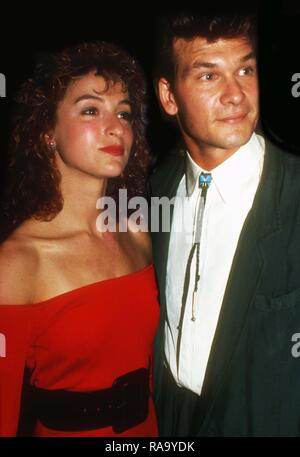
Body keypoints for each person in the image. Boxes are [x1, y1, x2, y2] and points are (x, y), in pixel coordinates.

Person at [151, 11, 300, 437]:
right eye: (208, 76)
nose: (236, 94)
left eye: (245, 69)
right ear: (168, 96)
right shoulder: (155, 190)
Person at [0, 41, 159, 437]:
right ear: (46, 133)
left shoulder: (138, 231)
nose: (116, 127)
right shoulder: (18, 262)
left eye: (124, 113)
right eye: (91, 110)